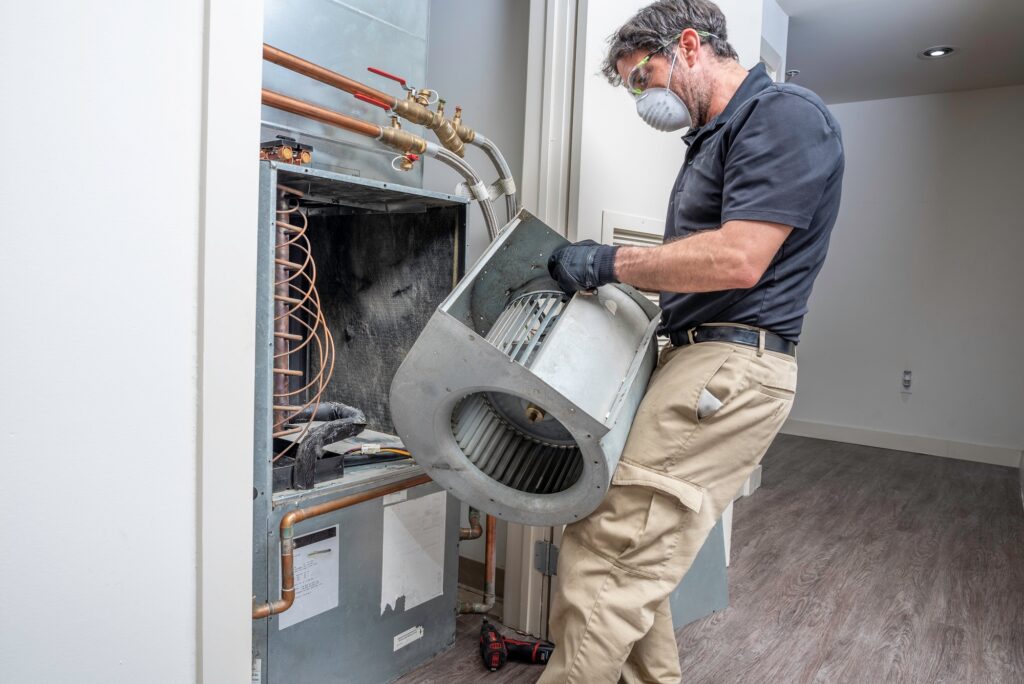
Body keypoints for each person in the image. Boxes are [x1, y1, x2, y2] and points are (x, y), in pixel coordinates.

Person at [539, 1, 844, 682]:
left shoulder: (784, 116)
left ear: (687, 46)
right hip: (702, 359)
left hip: (731, 366)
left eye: (641, 76)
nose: (641, 97)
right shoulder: (717, 136)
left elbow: (738, 260)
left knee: (605, 556)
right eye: (629, 88)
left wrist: (609, 262)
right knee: (638, 563)